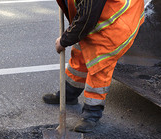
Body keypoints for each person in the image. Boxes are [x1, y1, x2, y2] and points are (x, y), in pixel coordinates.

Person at [42, 0, 145, 132]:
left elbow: (86, 18)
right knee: (80, 52)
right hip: (98, 14)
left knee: (100, 65)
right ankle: (69, 94)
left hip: (118, 20)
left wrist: (64, 40)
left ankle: (92, 114)